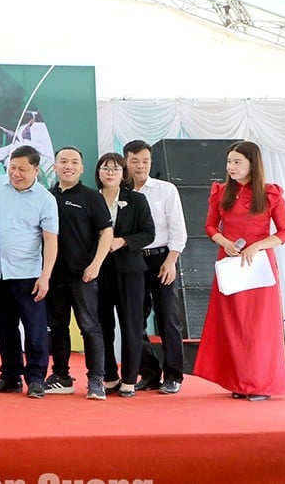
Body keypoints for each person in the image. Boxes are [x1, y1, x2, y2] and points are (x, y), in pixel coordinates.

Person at [196, 140, 285, 401]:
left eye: (237, 162)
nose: (231, 167)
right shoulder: (221, 192)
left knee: (258, 326)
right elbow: (210, 227)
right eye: (229, 162)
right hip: (230, 262)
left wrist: (258, 246)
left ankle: (259, 383)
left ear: (253, 164)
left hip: (258, 266)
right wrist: (224, 242)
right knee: (232, 325)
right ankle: (238, 382)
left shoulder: (269, 193)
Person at [0, 145, 58, 399]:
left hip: (28, 275)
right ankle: (10, 376)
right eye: (12, 168)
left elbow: (50, 241)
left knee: (35, 329)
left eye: (22, 169)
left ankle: (36, 379)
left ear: (36, 170)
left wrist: (46, 275)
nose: (15, 174)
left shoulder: (46, 199)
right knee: (5, 328)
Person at [45, 146, 113, 400]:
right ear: (54, 166)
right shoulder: (46, 196)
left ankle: (96, 379)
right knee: (57, 326)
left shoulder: (91, 197)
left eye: (74, 161)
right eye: (63, 161)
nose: (68, 166)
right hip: (54, 276)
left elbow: (106, 232)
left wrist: (96, 265)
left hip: (83, 275)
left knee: (89, 326)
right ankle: (61, 375)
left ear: (82, 168)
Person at [124, 140, 188, 394]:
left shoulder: (166, 190)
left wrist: (171, 261)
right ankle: (149, 373)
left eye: (145, 161)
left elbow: (178, 230)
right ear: (126, 161)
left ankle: (174, 375)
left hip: (162, 258)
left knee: (167, 319)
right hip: (133, 260)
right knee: (134, 320)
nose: (140, 166)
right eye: (135, 160)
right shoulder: (121, 190)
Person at [95, 152, 155, 398]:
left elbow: (148, 233)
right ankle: (109, 376)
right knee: (102, 325)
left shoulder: (137, 200)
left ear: (123, 174)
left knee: (131, 324)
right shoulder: (90, 198)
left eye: (116, 169)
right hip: (98, 270)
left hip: (130, 271)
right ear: (98, 173)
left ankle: (130, 378)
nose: (110, 172)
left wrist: (122, 241)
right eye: (105, 168)